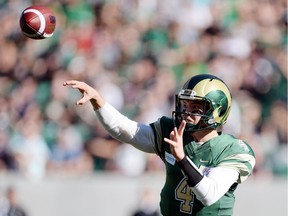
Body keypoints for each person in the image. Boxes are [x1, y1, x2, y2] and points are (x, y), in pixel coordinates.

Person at [63, 74, 256, 216]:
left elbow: (209, 194)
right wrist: (99, 101)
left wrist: (182, 159)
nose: (186, 113)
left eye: (195, 108)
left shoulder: (234, 150)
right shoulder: (171, 131)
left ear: (217, 111)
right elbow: (126, 130)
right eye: (185, 105)